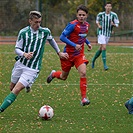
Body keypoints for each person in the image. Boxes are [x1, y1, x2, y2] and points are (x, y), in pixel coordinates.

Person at [0, 11, 68, 113]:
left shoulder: (45, 32)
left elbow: (51, 40)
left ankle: (1, 109)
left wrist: (59, 53)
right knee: (12, 87)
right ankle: (28, 84)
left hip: (33, 68)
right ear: (30, 21)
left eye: (39, 22)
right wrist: (24, 54)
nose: (38, 24)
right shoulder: (23, 33)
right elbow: (17, 49)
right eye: (36, 22)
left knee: (17, 89)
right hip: (20, 64)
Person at [46, 5, 92, 106]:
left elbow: (82, 36)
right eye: (79, 15)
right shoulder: (72, 25)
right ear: (77, 15)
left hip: (79, 55)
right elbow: (62, 37)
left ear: (86, 15)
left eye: (83, 15)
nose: (81, 17)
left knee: (83, 73)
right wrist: (74, 45)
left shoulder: (87, 25)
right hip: (68, 55)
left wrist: (88, 43)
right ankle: (54, 74)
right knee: (63, 77)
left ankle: (84, 98)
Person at [91, 2, 119, 70]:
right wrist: (99, 26)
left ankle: (93, 60)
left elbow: (117, 24)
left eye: (110, 6)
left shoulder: (114, 15)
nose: (108, 8)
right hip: (101, 33)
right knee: (104, 47)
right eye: (107, 6)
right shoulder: (101, 14)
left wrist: (113, 24)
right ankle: (105, 65)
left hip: (108, 33)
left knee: (101, 48)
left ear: (111, 7)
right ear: (105, 7)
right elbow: (97, 21)